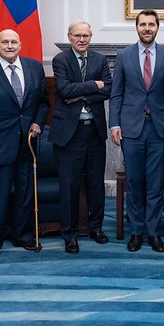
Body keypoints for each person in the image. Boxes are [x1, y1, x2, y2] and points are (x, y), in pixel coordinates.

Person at [0, 29, 49, 263]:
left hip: (27, 143)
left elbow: (43, 102)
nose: (10, 45)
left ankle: (22, 235)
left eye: (14, 42)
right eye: (5, 42)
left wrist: (38, 122)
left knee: (25, 193)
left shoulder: (34, 68)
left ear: (20, 44)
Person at [109, 9, 164, 253]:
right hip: (131, 129)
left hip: (160, 129)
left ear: (157, 27)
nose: (147, 28)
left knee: (156, 184)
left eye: (151, 24)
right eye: (143, 24)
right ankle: (136, 232)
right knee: (135, 182)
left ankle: (154, 232)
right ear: (136, 27)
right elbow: (117, 94)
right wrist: (114, 124)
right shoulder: (124, 56)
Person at [49, 21, 112, 254]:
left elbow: (109, 89)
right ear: (69, 37)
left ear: (91, 37)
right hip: (70, 133)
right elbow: (64, 90)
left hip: (94, 130)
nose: (82, 39)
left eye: (86, 35)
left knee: (96, 184)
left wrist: (82, 95)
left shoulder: (100, 59)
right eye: (78, 35)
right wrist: (93, 85)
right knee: (69, 186)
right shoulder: (61, 60)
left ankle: (96, 228)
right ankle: (70, 234)